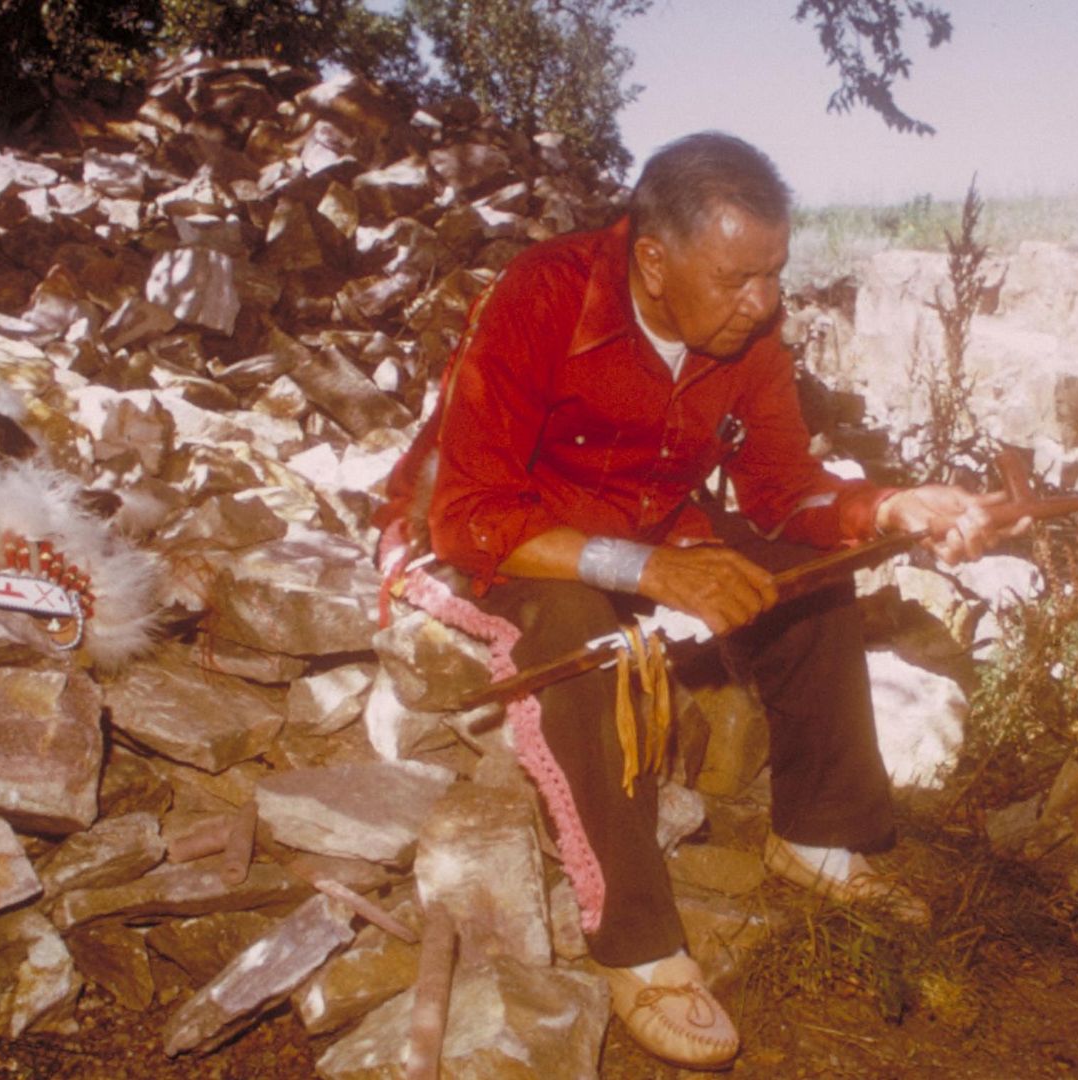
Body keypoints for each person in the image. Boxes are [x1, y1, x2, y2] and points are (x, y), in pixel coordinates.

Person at [381, 131, 1025, 1069]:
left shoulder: (748, 332)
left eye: (774, 274)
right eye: (737, 279)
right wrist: (645, 572)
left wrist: (890, 504)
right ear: (652, 260)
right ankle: (638, 943)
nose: (763, 303)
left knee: (806, 582)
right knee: (580, 635)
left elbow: (779, 491)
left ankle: (820, 837)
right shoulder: (542, 297)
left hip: (645, 535)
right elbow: (469, 515)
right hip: (492, 542)